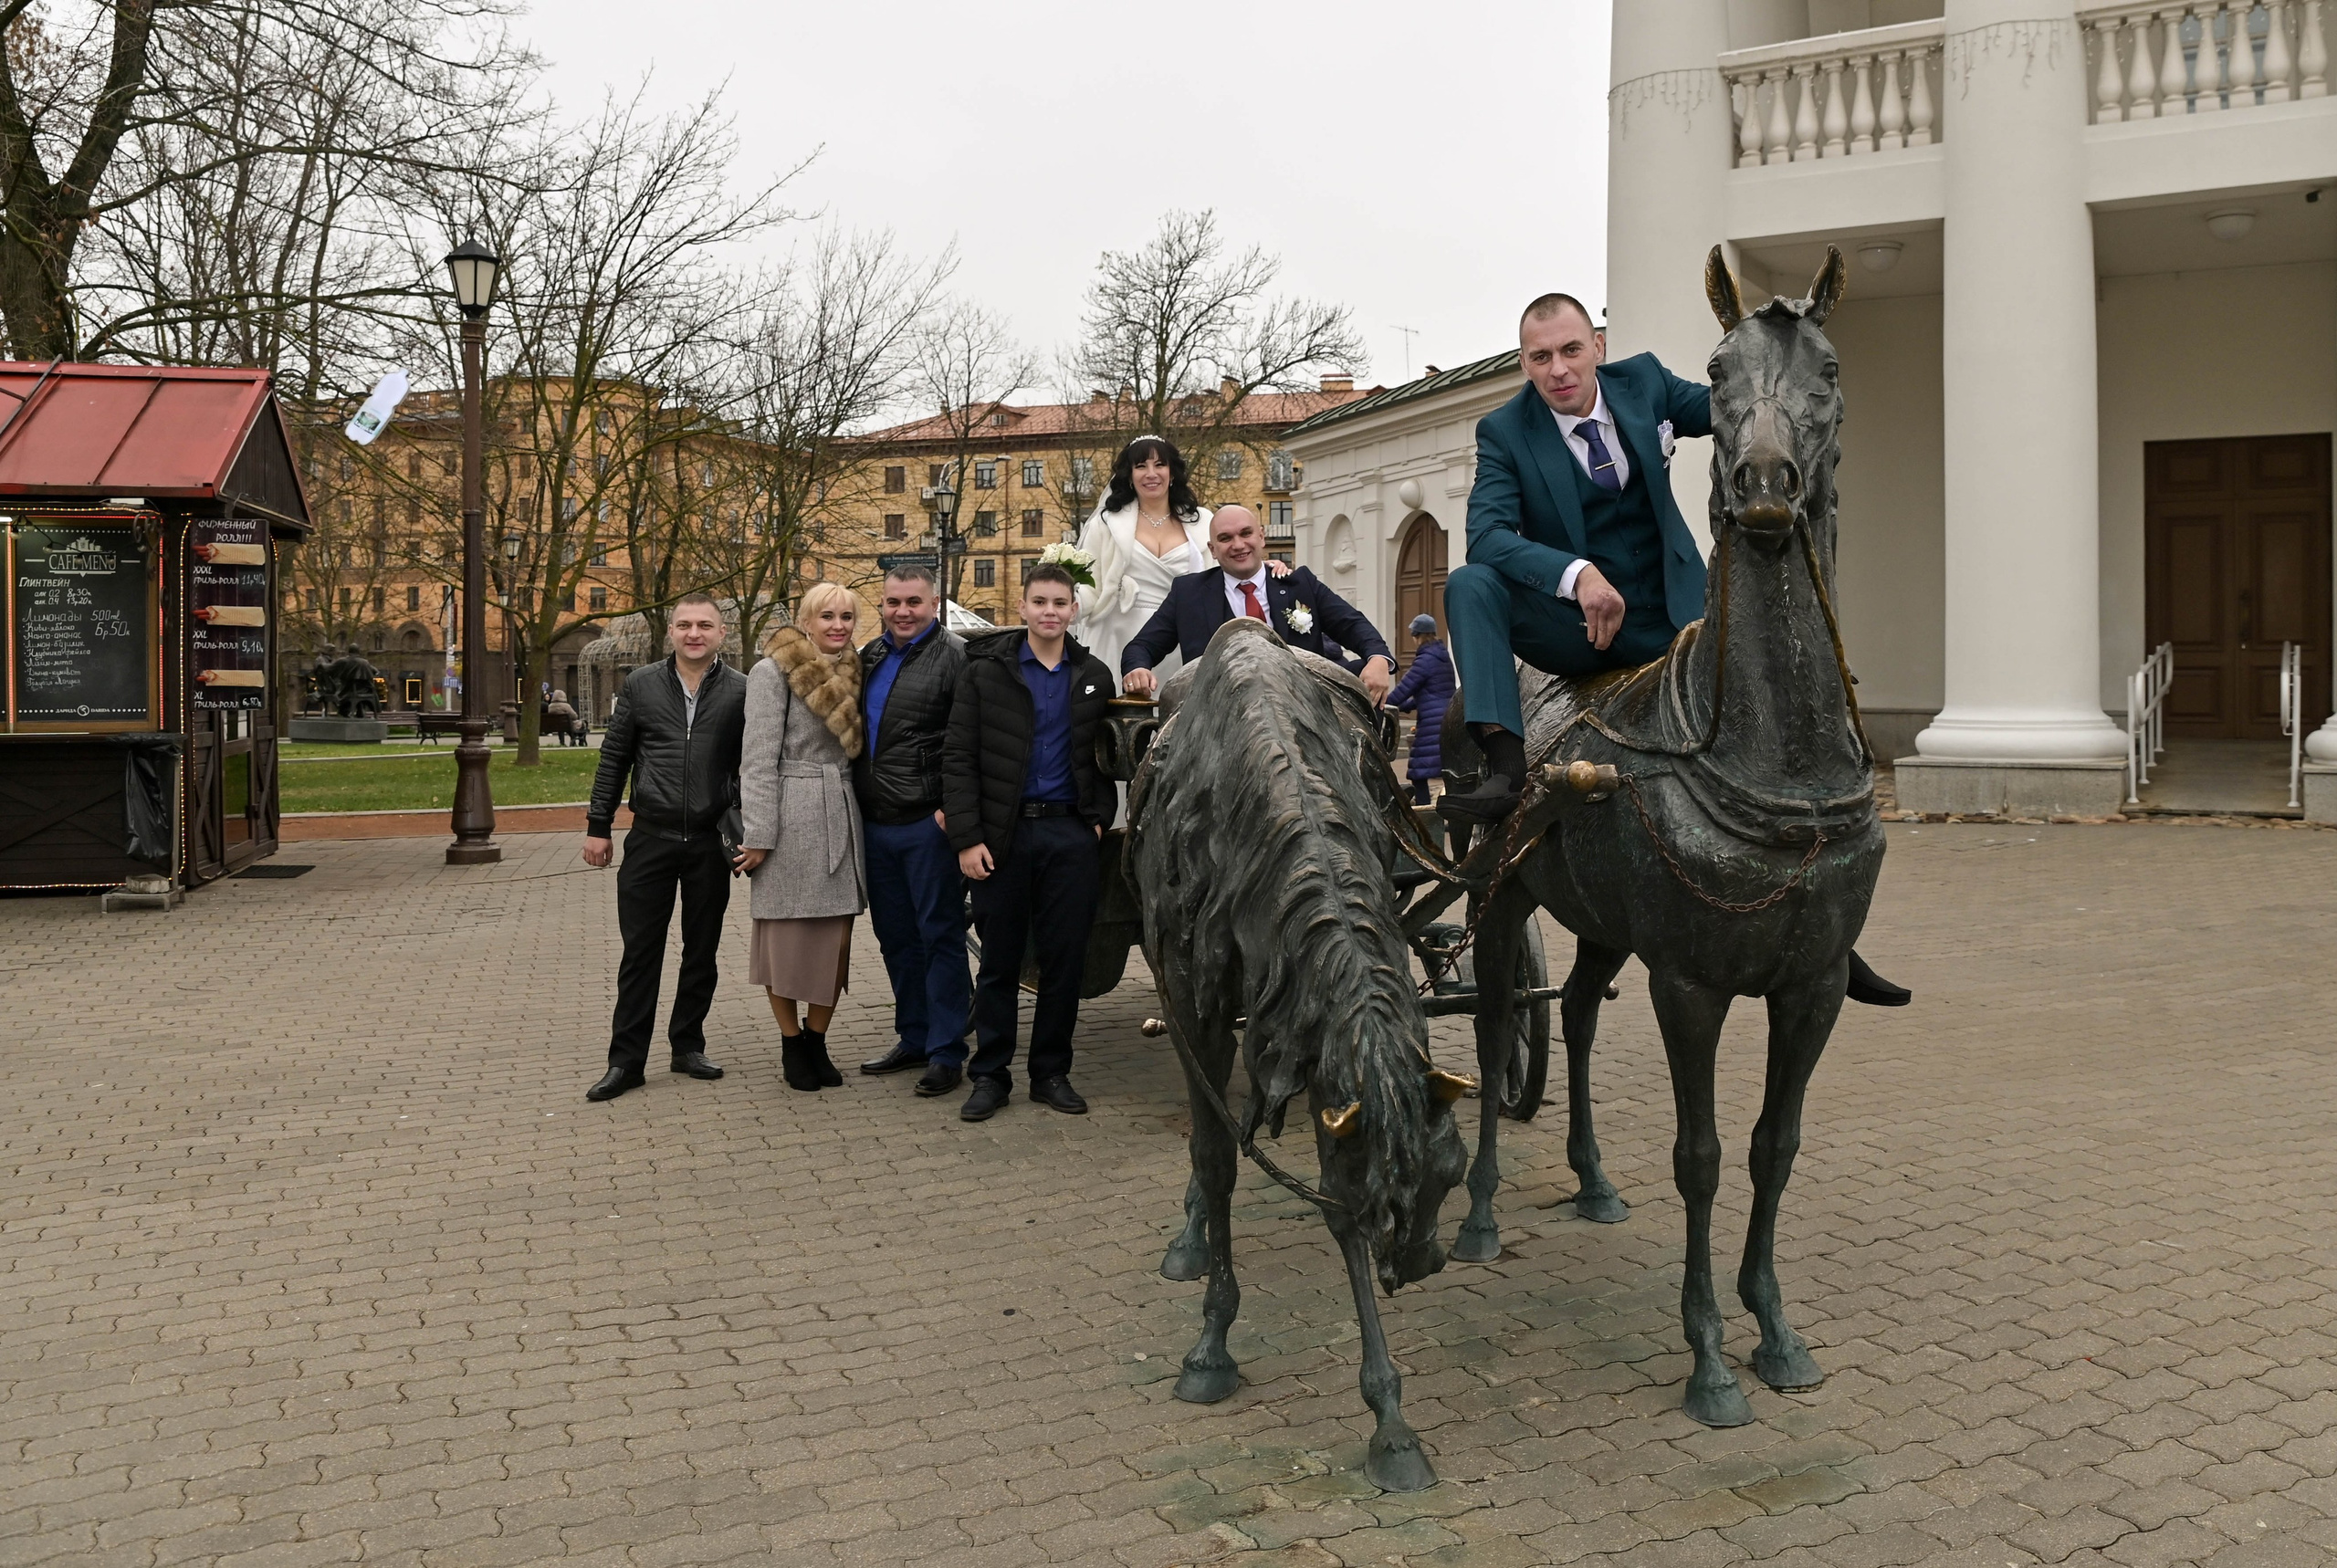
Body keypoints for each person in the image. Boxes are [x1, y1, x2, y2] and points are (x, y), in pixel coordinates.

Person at [1439, 292, 1912, 1009]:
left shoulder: (1648, 383)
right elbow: (1490, 533)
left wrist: (1772, 336)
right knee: (1471, 582)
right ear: (1526, 364)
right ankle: (1504, 762)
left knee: (1785, 706)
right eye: (1540, 358)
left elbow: (1743, 402)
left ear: (1596, 345)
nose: (1559, 370)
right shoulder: (1504, 431)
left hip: (1673, 621)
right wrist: (1576, 576)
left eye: (1570, 350)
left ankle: (1831, 940)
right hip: (1577, 630)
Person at [943, 563, 1114, 1123]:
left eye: (1059, 603)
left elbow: (1104, 758)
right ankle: (990, 1076)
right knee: (1000, 962)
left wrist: (1097, 818)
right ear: (1021, 608)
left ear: (1074, 610)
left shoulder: (1092, 674)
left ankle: (1051, 1073)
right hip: (1004, 836)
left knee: (1065, 961)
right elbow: (960, 757)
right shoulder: (986, 672)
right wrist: (969, 839)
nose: (1049, 612)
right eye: (1039, 601)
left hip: (1069, 834)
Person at [581, 593, 749, 1102]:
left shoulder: (743, 690)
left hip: (707, 842)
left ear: (722, 635)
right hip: (650, 838)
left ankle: (687, 1045)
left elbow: (754, 766)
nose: (693, 634)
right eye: (684, 625)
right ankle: (626, 1062)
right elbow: (615, 757)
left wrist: (749, 828)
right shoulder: (641, 684)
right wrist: (598, 824)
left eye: (704, 626)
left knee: (702, 950)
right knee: (640, 953)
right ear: (669, 633)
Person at [737, 581, 869, 1092]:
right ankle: (792, 1042)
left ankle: (818, 1040)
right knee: (784, 939)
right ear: (805, 620)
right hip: (791, 816)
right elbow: (757, 759)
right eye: (826, 616)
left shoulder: (858, 670)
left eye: (847, 617)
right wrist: (760, 833)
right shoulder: (772, 673)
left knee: (835, 941)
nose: (838, 625)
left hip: (841, 810)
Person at [850, 563, 973, 1099]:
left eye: (913, 603)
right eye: (893, 602)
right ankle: (915, 1035)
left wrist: (953, 807)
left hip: (927, 823)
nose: (903, 612)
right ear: (882, 604)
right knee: (895, 937)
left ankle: (948, 1051)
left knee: (939, 936)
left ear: (934, 602)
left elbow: (968, 740)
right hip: (875, 824)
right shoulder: (870, 657)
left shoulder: (956, 659)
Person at [1120, 506, 1396, 706]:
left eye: (1246, 533)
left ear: (1261, 537)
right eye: (1225, 538)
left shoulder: (1301, 584)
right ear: (1213, 549)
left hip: (1302, 705)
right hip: (1217, 711)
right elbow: (1140, 647)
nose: (1238, 545)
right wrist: (1138, 669)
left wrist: (1379, 659)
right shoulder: (1188, 593)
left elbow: (1353, 624)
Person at [1072, 435, 1290, 680]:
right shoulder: (1106, 524)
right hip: (1118, 634)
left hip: (1181, 634)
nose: (1151, 474)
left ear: (1172, 472)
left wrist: (1263, 570)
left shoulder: (1203, 521)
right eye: (1141, 466)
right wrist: (1063, 603)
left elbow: (1228, 570)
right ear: (1129, 475)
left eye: (1160, 465)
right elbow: (1092, 585)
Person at [1386, 614, 1455, 806]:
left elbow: (1404, 689)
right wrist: (1406, 707)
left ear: (1418, 636)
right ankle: (1450, 811)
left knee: (1418, 772)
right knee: (1447, 771)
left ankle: (1424, 810)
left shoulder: (1425, 660)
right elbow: (1431, 693)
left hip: (1432, 724)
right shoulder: (1442, 657)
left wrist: (1384, 704)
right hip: (1448, 718)